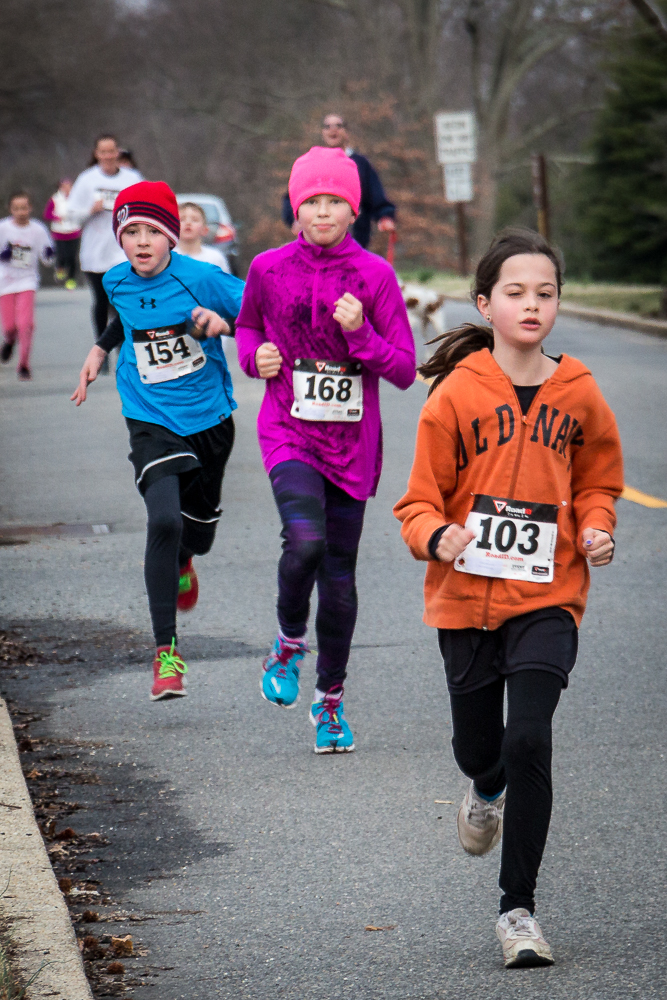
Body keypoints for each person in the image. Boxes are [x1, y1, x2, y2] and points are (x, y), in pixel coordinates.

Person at [393, 228, 623, 968]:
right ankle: (481, 785)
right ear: (484, 303)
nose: (532, 303)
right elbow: (415, 505)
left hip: (549, 595)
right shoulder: (455, 394)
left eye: (545, 291)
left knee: (528, 738)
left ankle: (516, 909)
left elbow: (597, 481)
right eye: (516, 292)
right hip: (462, 601)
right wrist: (438, 538)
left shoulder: (578, 391)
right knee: (480, 749)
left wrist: (594, 527)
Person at [237, 146, 415, 753]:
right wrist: (253, 355)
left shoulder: (374, 276)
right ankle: (289, 639)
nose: (322, 211)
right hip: (288, 426)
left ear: (352, 207)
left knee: (339, 578)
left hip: (352, 442)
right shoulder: (267, 267)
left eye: (334, 201)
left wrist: (359, 333)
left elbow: (404, 369)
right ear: (296, 205)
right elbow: (249, 326)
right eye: (311, 200)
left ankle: (330, 702)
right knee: (305, 542)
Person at [70, 181, 244, 701]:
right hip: (148, 415)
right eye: (131, 232)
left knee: (197, 534)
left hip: (210, 417)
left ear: (171, 236)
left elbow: (257, 314)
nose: (142, 242)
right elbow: (123, 319)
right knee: (163, 519)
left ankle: (187, 561)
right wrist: (100, 351)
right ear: (120, 240)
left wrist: (226, 324)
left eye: (152, 231)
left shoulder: (204, 279)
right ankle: (167, 654)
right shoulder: (117, 280)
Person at [67, 134, 142, 372]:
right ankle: (101, 351)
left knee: (122, 301)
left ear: (118, 152)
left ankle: (122, 347)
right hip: (95, 254)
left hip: (123, 252)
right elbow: (71, 216)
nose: (108, 156)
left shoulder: (132, 178)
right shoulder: (87, 180)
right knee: (101, 301)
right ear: (96, 154)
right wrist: (91, 210)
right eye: (103, 152)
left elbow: (146, 209)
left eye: (112, 151)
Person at [281, 114, 396, 250]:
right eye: (327, 126)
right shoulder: (311, 163)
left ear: (346, 132)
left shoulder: (360, 163)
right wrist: (293, 218)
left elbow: (375, 192)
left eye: (338, 126)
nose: (332, 130)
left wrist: (385, 216)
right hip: (317, 239)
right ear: (322, 132)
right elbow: (293, 195)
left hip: (356, 236)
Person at [0, 191, 54, 380]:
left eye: (24, 208)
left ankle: (24, 364)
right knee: (9, 327)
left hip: (27, 281)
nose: (21, 212)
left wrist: (48, 253)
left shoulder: (37, 230)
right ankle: (9, 341)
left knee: (25, 324)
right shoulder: (3, 228)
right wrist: (3, 255)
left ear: (30, 208)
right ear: (10, 209)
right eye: (17, 208)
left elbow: (47, 257)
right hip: (5, 282)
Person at [43, 178, 81, 290]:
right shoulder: (55, 199)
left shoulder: (76, 198)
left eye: (69, 186)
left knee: (72, 257)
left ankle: (71, 279)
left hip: (74, 231)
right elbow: (47, 214)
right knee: (62, 255)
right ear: (60, 187)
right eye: (64, 186)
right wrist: (57, 218)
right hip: (59, 232)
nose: (67, 189)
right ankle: (60, 268)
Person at [175, 202, 231, 273]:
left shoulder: (215, 258)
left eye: (195, 220)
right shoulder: (168, 258)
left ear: (205, 230)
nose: (188, 223)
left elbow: (224, 282)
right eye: (182, 219)